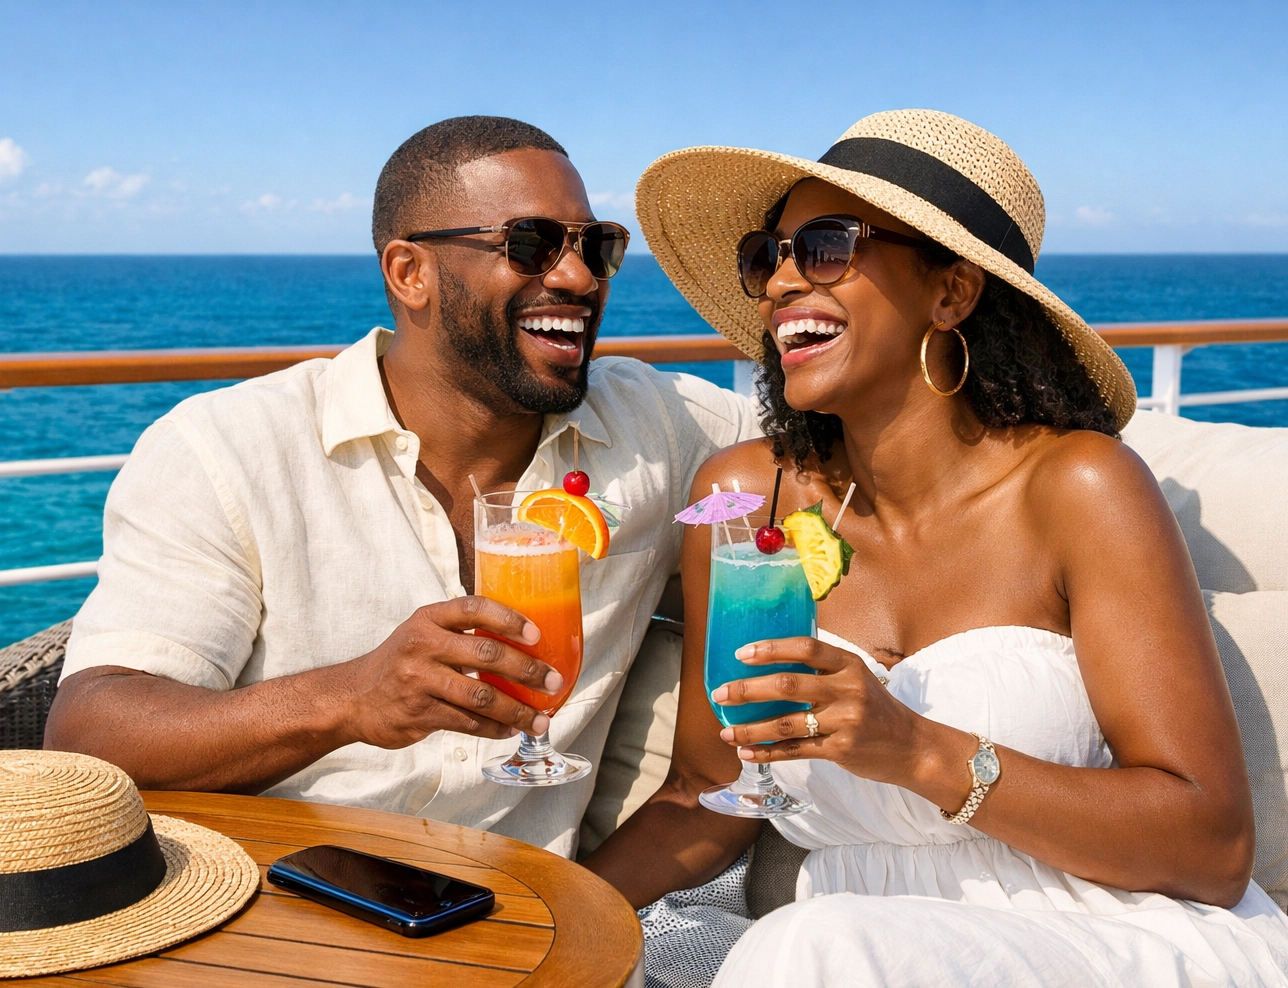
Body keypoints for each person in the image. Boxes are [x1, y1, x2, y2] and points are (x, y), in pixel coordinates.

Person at [587, 111, 1288, 988]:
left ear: (951, 293)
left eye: (827, 247)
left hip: (1117, 945)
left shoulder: (1078, 488)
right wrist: (546, 916)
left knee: (805, 946)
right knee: (811, 947)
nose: (782, 281)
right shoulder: (750, 500)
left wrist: (914, 749)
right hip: (867, 967)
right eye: (770, 254)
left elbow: (1213, 844)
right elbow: (705, 797)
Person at [44, 116, 761, 857]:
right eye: (532, 244)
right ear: (408, 272)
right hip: (277, 910)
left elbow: (839, 455)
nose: (579, 278)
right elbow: (92, 733)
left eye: (597, 247)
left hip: (537, 921)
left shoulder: (666, 427)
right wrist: (349, 699)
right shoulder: (229, 449)